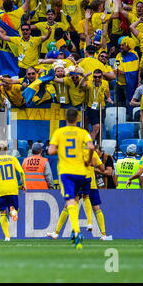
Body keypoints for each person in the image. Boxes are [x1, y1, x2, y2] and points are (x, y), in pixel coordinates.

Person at [47, 107, 95, 249]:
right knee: (79, 199)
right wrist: (88, 161)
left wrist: (58, 149)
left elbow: (50, 151)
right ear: (77, 118)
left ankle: (77, 231)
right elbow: (91, 147)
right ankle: (78, 230)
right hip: (81, 172)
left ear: (65, 118)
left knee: (70, 201)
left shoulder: (59, 133)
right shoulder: (83, 132)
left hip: (66, 172)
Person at [0, 141, 26, 241]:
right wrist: (23, 184)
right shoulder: (13, 159)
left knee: (3, 212)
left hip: (0, 190)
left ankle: (7, 236)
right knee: (14, 209)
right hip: (12, 188)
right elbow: (22, 173)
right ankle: (13, 212)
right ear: (7, 150)